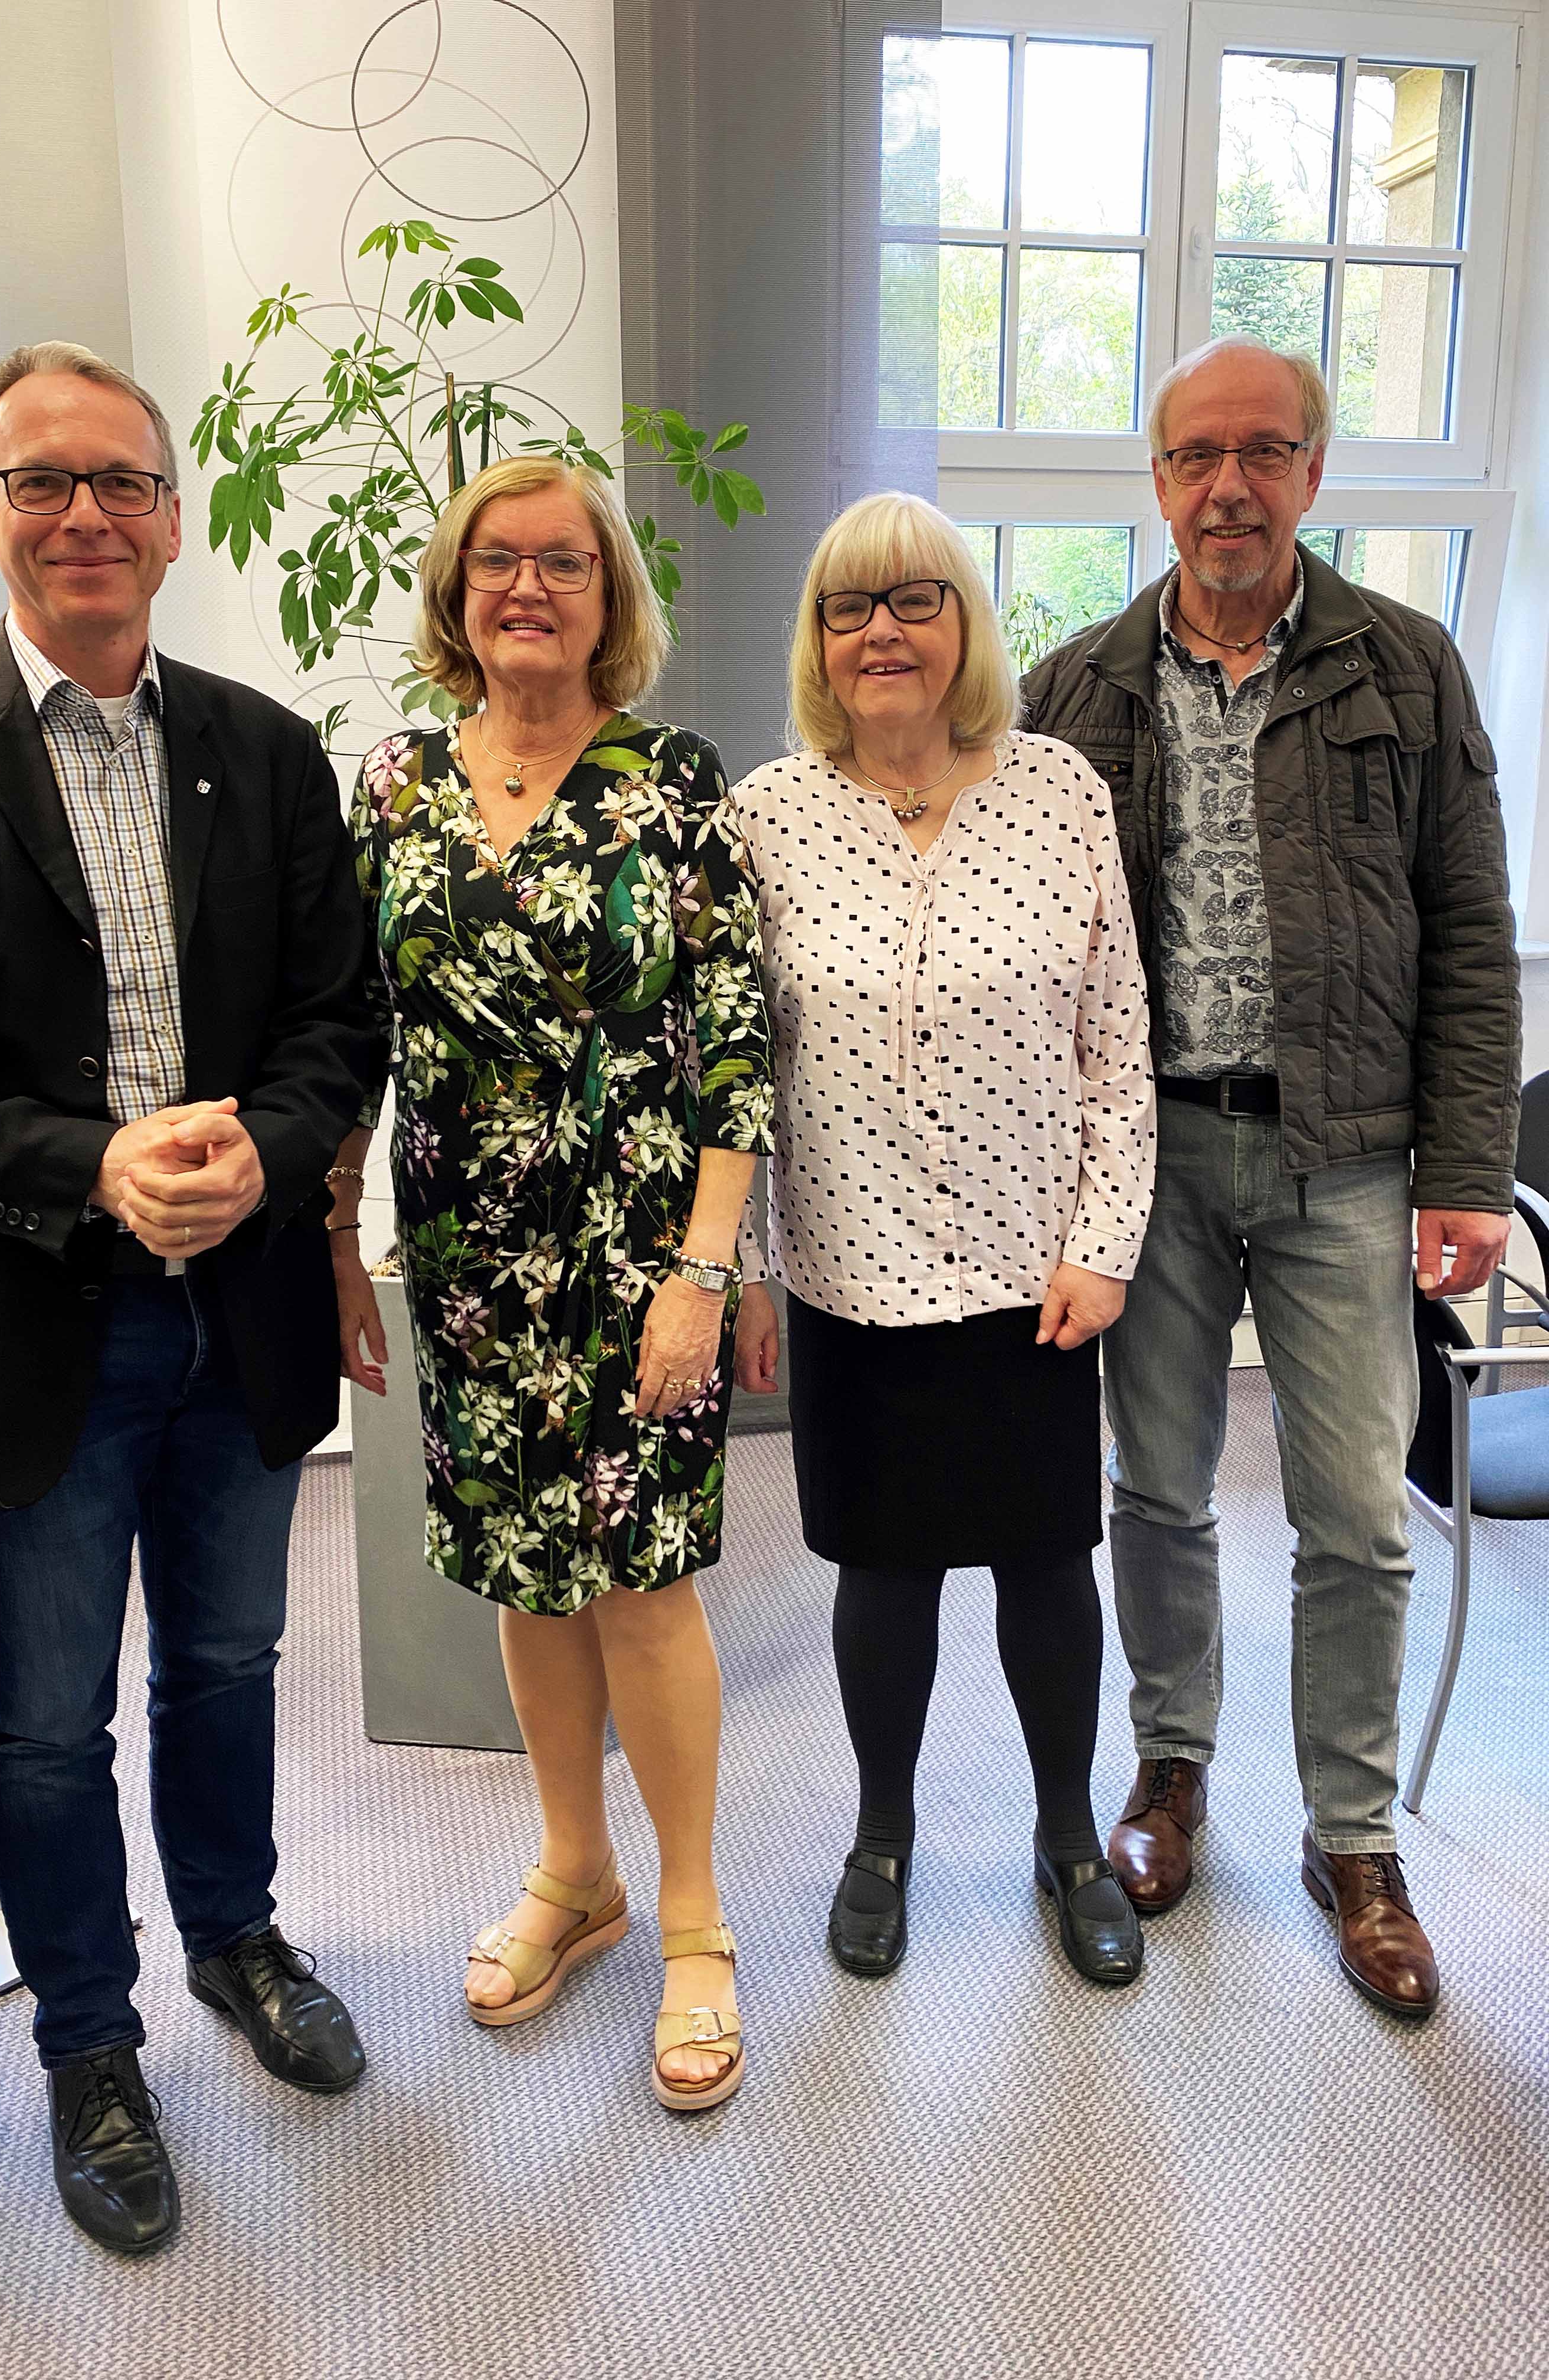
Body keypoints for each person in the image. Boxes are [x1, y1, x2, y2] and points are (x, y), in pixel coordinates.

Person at [0, 344, 386, 2252]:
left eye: (120, 481)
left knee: (226, 1664)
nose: (85, 515)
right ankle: (91, 2051)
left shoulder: (262, 747)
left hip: (239, 1311)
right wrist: (88, 1168)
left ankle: (231, 1937)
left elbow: (333, 1023)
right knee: (38, 1723)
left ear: (171, 517)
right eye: (41, 483)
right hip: (20, 1316)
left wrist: (259, 1161)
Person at [1019, 335, 1522, 2020]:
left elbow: (1472, 933)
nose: (1227, 486)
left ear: (1314, 472)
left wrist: (1468, 1168)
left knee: (1357, 1518)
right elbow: (1034, 960)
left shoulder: (1410, 668)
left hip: (1352, 1159)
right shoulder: (1074, 686)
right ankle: (1171, 1774)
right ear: (1156, 481)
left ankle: (1353, 1837)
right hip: (1143, 1157)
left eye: (1262, 453)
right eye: (1194, 457)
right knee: (1153, 1493)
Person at [328, 455, 774, 2110]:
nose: (528, 588)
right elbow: (351, 1029)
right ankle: (572, 1869)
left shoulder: (673, 786)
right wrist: (337, 1239)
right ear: (455, 591)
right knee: (526, 1577)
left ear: (610, 598)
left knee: (645, 1583)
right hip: (464, 1258)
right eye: (498, 563)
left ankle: (696, 1919)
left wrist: (702, 1269)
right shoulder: (391, 785)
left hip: (637, 1256)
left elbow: (737, 1045)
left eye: (562, 565)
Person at [731, 492, 1156, 1986]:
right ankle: (884, 1836)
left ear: (964, 623)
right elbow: (738, 1066)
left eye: (915, 600)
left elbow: (1118, 1042)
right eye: (851, 608)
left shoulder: (1059, 794)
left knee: (1047, 1562)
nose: (883, 632)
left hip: (1027, 1269)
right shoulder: (769, 817)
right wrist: (751, 1264)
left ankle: (1066, 1838)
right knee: (884, 1570)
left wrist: (1103, 1244)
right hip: (848, 1270)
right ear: (821, 642)